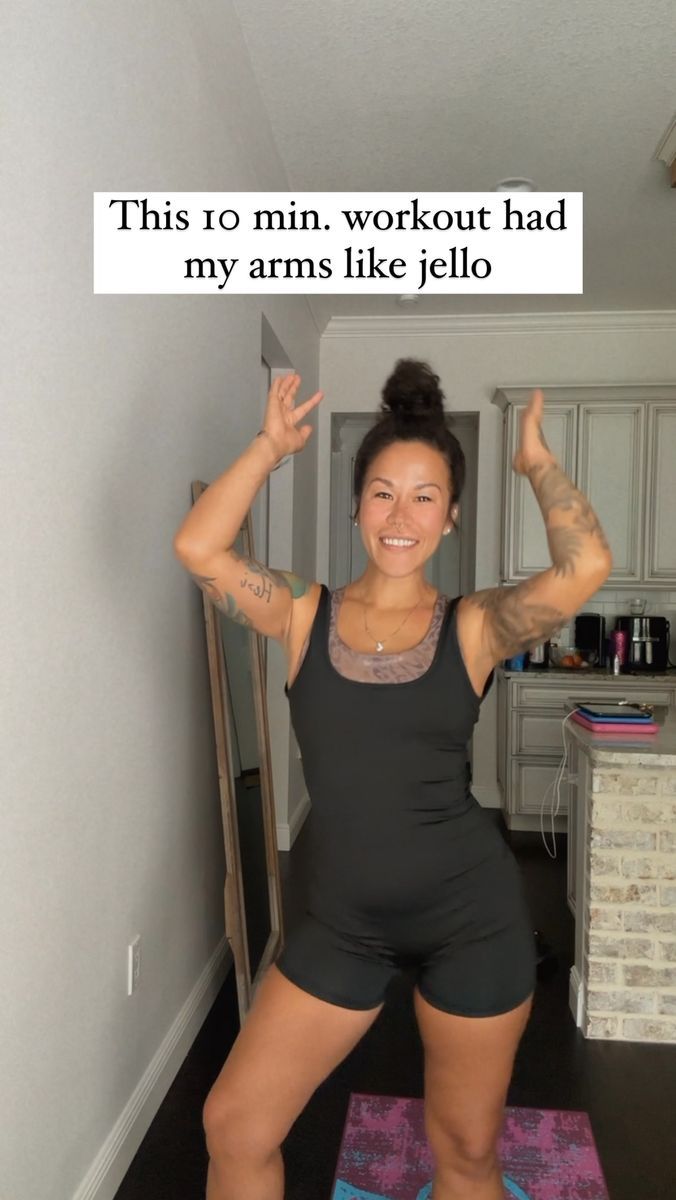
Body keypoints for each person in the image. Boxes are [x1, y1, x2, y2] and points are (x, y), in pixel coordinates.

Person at [173, 359, 612, 1200]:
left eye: (424, 495)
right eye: (382, 491)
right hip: (342, 921)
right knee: (235, 1126)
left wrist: (536, 465)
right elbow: (199, 547)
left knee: (467, 1154)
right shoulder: (304, 611)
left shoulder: (476, 626)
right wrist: (269, 448)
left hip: (471, 921)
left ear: (450, 517)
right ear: (356, 507)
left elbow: (586, 564)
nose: (400, 514)